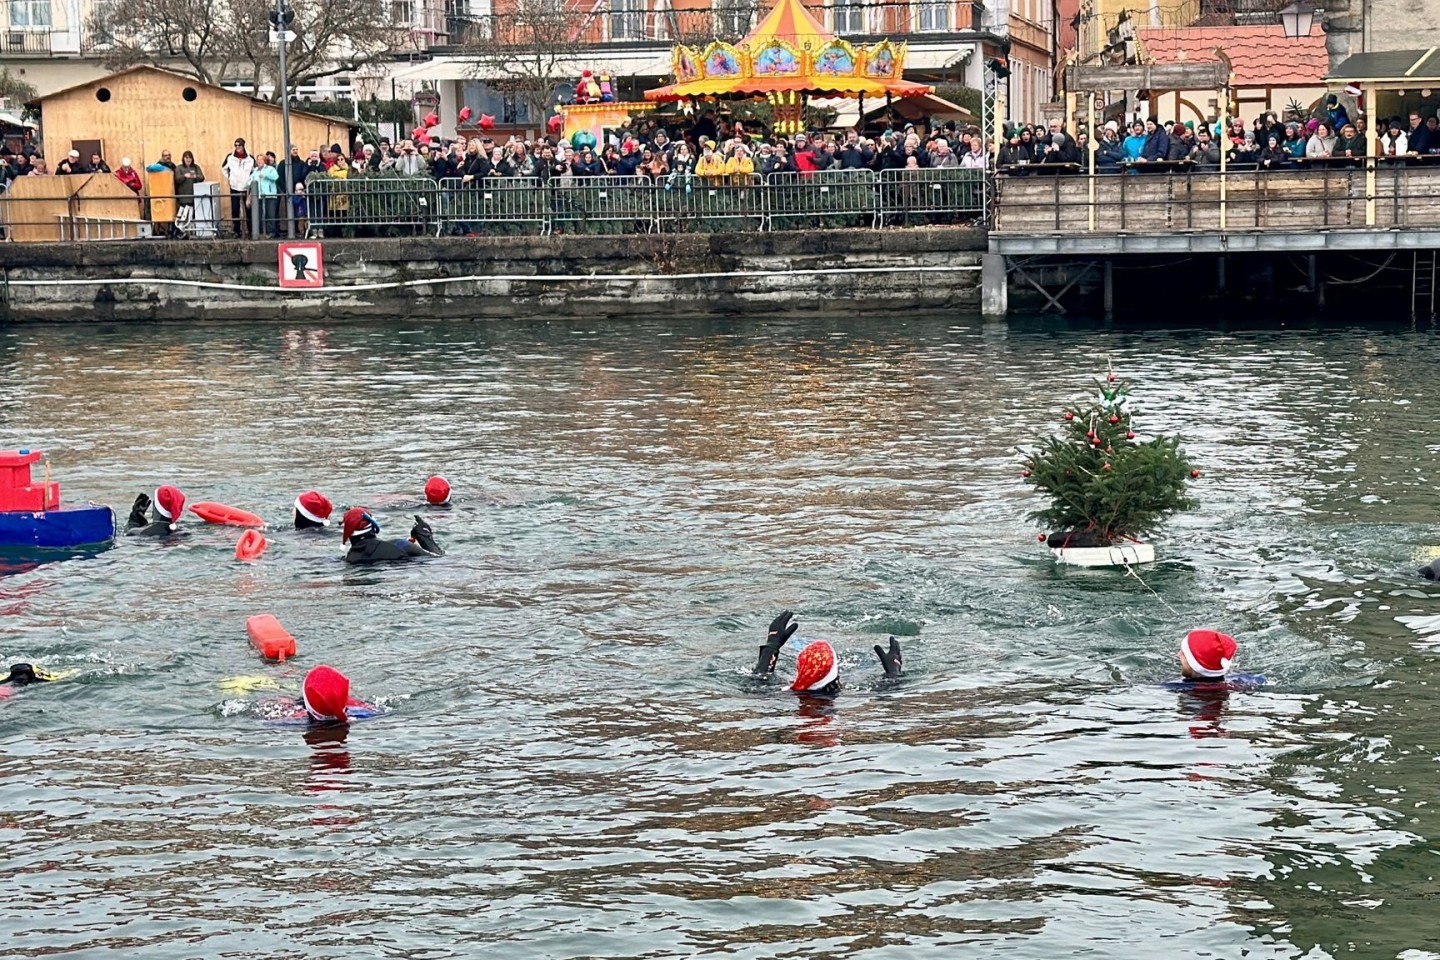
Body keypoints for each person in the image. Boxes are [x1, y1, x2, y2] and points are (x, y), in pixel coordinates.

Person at [753, 611, 903, 696]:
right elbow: (891, 689)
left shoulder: (783, 694)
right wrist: (894, 671)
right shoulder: (856, 694)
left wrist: (772, 646)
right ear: (835, 672)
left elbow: (758, 682)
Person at [341, 507, 443, 564]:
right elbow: (439, 559)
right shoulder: (400, 545)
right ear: (373, 525)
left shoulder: (349, 558)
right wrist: (425, 536)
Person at [1173, 629, 1264, 687]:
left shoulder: (1177, 687)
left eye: (1183, 653)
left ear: (1195, 664)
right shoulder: (1245, 681)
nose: (1178, 654)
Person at [222, 138, 255, 237]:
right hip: (235, 186)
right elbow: (224, 168)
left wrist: (249, 180)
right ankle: (236, 230)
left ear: (243, 146)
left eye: (239, 145)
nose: (237, 147)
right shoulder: (230, 158)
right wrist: (230, 178)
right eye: (235, 145)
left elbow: (254, 171)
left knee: (248, 209)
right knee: (235, 209)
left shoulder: (250, 159)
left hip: (246, 187)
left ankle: (251, 230)